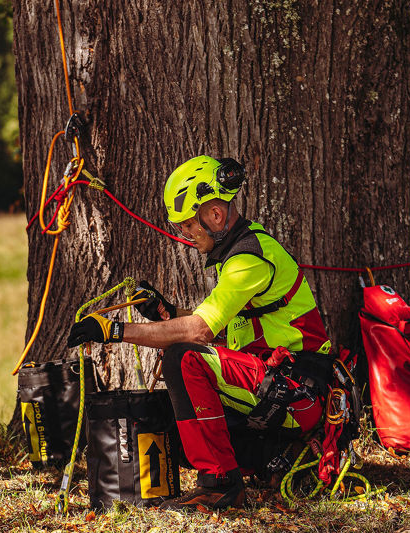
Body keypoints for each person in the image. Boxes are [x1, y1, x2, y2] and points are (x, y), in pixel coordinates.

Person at [67, 155, 333, 511]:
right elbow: (217, 326)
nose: (185, 235)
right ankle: (283, 459)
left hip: (301, 391)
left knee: (183, 357)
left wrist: (115, 330)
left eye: (188, 225)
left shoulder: (248, 259)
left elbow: (201, 331)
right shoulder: (238, 255)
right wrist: (166, 313)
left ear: (216, 216)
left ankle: (220, 486)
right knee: (174, 430)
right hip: (281, 387)